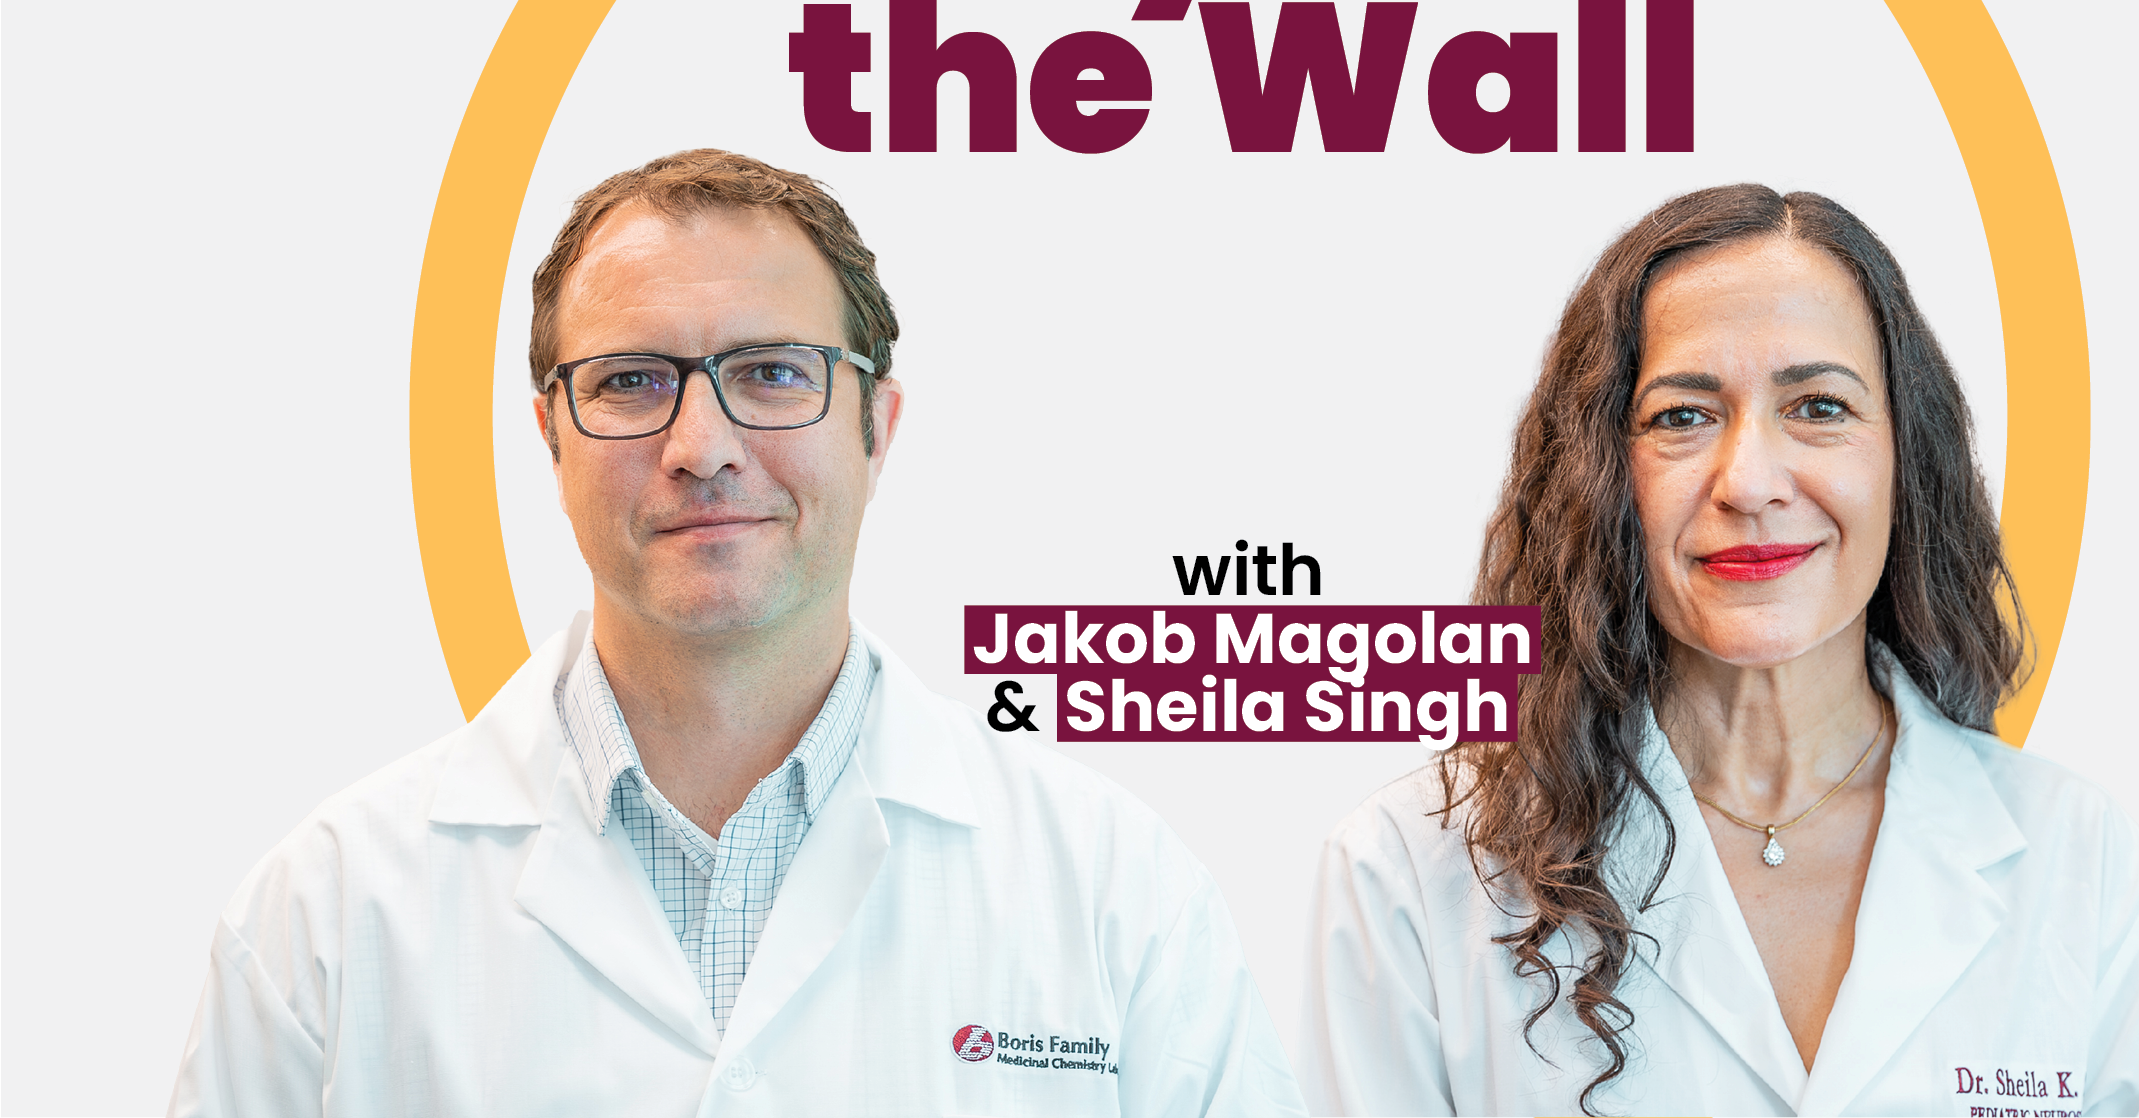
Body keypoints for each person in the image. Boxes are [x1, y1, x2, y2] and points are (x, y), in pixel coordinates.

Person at [170, 148, 1304, 1116]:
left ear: (878, 426)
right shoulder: (325, 916)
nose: (701, 443)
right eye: (629, 381)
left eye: (770, 373)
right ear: (550, 438)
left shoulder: (1115, 893)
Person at [1299, 185, 2139, 1117]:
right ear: (1599, 474)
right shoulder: (1415, 874)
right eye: (1683, 417)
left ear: (1907, 458)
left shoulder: (2080, 865)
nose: (1749, 482)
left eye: (1819, 406)